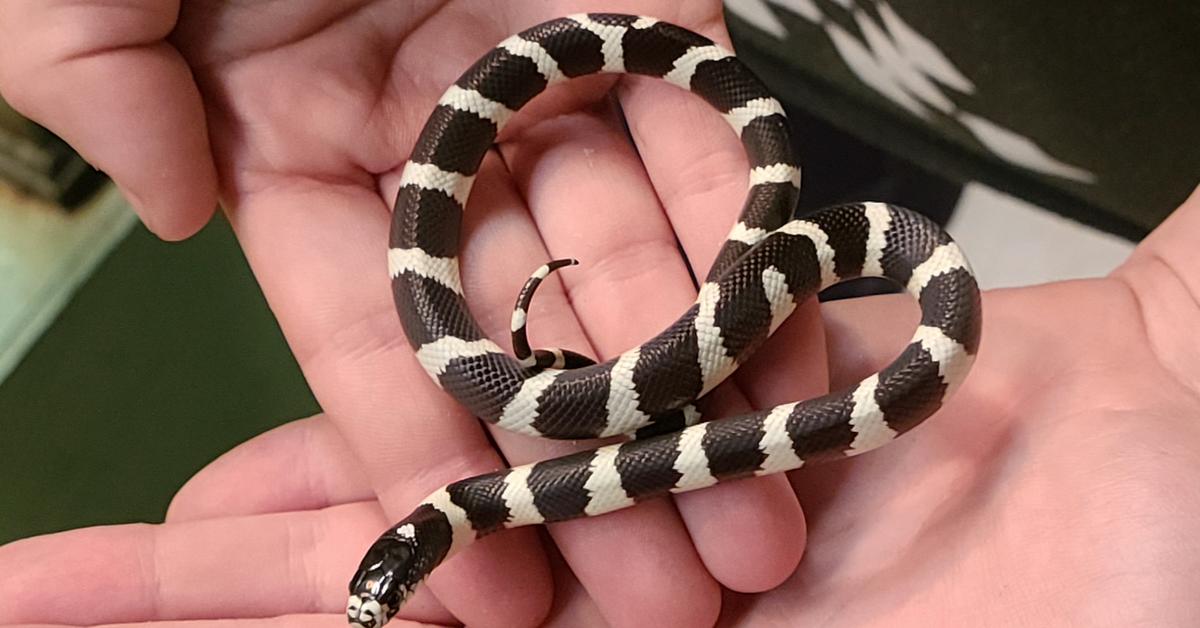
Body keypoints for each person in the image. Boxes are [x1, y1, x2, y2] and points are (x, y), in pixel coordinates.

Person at [0, 2, 1197, 626]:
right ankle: (773, 181)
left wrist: (1169, 331)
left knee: (769, 214)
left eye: (389, 584)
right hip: (841, 64)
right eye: (391, 584)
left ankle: (776, 186)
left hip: (1082, 97)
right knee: (755, 213)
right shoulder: (497, 463)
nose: (388, 591)